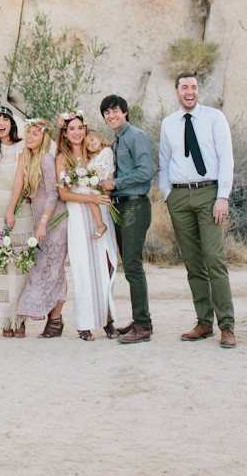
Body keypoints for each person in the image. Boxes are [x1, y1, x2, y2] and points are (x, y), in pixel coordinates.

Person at [159, 72, 236, 348]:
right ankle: (204, 322)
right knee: (193, 263)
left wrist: (222, 196)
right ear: (177, 91)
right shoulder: (168, 123)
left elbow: (226, 157)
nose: (189, 92)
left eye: (193, 87)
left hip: (209, 194)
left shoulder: (214, 118)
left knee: (214, 258)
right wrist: (167, 194)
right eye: (184, 87)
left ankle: (227, 325)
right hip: (179, 197)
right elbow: (164, 162)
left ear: (198, 90)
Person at [55, 113, 118, 341]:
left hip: (101, 211)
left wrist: (104, 193)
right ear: (65, 132)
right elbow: (64, 193)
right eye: (72, 128)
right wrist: (91, 199)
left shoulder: (95, 151)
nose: (77, 132)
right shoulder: (63, 157)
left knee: (108, 265)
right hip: (80, 214)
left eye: (80, 127)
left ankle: (108, 319)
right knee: (84, 268)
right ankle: (84, 322)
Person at [100, 94, 154, 344]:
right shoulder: (117, 140)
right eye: (107, 113)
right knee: (128, 264)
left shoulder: (136, 136)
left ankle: (143, 325)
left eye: (115, 111)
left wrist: (116, 183)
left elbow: (145, 172)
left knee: (133, 265)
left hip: (134, 206)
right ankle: (138, 319)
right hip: (121, 207)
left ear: (125, 112)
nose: (111, 116)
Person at [6, 118, 67, 338]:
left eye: (35, 134)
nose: (30, 137)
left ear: (44, 138)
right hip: (43, 222)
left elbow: (53, 193)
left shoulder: (47, 159)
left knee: (54, 270)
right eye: (28, 132)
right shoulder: (31, 158)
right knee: (49, 270)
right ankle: (54, 320)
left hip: (55, 222)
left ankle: (55, 321)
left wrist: (43, 223)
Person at [0, 106, 28, 337]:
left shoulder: (22, 147)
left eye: (5, 119)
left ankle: (19, 319)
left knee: (19, 264)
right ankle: (4, 320)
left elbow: (20, 181)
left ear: (12, 123)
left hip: (19, 208)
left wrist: (11, 209)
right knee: (0, 263)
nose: (1, 123)